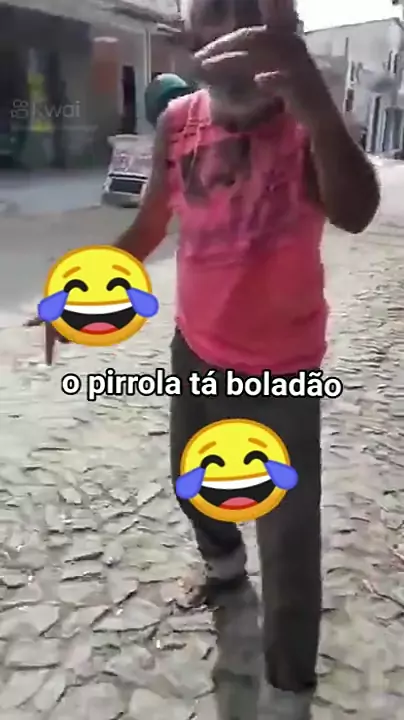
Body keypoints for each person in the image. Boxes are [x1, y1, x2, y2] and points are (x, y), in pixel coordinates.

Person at [29, 1, 380, 717]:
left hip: (284, 366)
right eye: (210, 12)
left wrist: (314, 101)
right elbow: (151, 225)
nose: (226, 30)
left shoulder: (307, 117)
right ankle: (223, 571)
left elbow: (356, 211)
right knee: (192, 480)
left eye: (246, 11)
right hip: (196, 347)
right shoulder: (178, 121)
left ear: (281, 28)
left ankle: (288, 687)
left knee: (286, 535)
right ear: (189, 33)